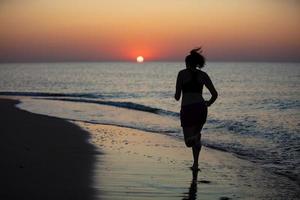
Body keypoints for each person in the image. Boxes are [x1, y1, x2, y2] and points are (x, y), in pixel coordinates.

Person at [175, 47, 218, 171]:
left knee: (189, 142)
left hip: (188, 108)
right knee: (195, 136)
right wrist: (208, 103)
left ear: (188, 63)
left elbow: (177, 97)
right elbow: (215, 94)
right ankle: (195, 164)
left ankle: (195, 140)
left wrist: (179, 92)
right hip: (201, 108)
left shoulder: (181, 73)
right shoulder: (203, 75)